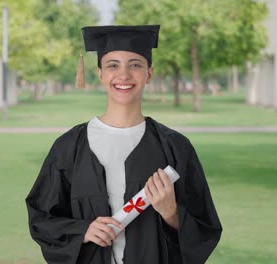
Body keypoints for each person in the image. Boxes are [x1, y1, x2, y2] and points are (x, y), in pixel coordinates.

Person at [26, 25, 222, 264]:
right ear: (100, 73)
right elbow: (41, 218)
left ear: (149, 73)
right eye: (113, 65)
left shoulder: (175, 148)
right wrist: (82, 230)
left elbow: (206, 228)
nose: (124, 75)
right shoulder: (69, 147)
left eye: (135, 64)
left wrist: (172, 213)